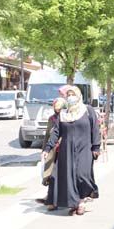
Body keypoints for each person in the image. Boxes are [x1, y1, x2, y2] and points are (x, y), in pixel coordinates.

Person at [43, 86, 100, 216]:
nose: (70, 96)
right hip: (66, 151)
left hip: (84, 149)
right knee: (69, 177)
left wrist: (96, 147)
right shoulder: (63, 114)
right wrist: (47, 148)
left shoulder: (88, 110)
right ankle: (79, 203)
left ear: (79, 95)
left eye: (73, 94)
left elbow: (95, 129)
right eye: (68, 95)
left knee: (82, 175)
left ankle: (83, 198)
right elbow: (56, 132)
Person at [36, 97, 66, 209]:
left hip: (64, 150)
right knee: (51, 175)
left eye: (59, 109)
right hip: (53, 151)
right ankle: (51, 198)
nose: (57, 111)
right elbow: (48, 136)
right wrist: (45, 150)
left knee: (63, 174)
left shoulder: (67, 118)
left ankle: (58, 198)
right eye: (56, 108)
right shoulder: (52, 119)